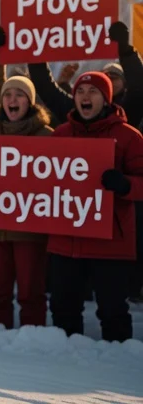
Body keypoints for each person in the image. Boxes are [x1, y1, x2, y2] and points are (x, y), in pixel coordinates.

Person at [45, 71, 143, 342]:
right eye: (80, 92)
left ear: (106, 98)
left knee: (112, 309)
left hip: (110, 241)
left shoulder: (129, 137)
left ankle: (117, 358)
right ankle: (62, 357)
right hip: (66, 240)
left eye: (93, 92)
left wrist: (125, 185)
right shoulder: (60, 134)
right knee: (63, 307)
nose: (85, 97)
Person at [0, 66, 51, 330]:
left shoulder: (48, 137)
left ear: (31, 101)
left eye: (19, 95)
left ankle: (33, 339)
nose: (12, 100)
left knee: (31, 293)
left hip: (29, 230)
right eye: (8, 95)